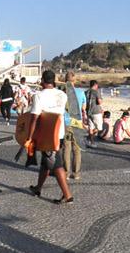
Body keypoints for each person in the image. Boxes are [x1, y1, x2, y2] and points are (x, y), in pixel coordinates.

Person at [27, 70, 73, 204]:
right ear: (54, 80)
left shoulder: (39, 96)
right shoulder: (62, 95)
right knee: (46, 162)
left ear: (42, 80)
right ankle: (38, 188)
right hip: (59, 133)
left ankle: (67, 195)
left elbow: (34, 118)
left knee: (55, 164)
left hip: (46, 135)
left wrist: (29, 137)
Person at [63, 71, 87, 180]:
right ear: (75, 80)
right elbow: (83, 108)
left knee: (67, 148)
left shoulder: (63, 93)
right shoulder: (81, 93)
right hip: (77, 123)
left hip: (67, 123)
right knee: (76, 149)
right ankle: (76, 173)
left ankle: (67, 172)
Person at [85, 80, 103, 148]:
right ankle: (89, 138)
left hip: (88, 111)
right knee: (99, 128)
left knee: (91, 127)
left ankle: (91, 142)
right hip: (96, 111)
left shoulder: (86, 92)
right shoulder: (96, 91)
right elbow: (99, 102)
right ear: (95, 85)